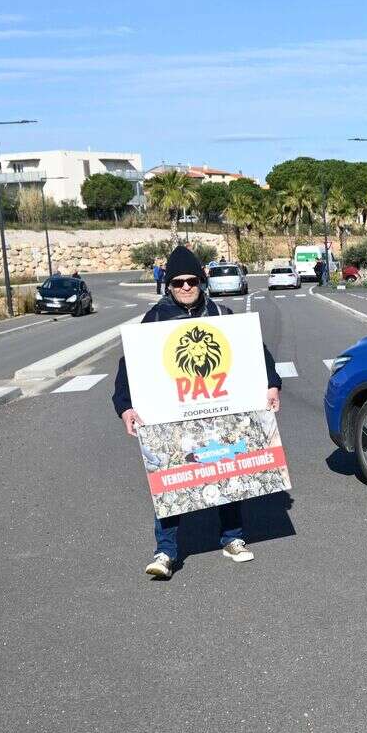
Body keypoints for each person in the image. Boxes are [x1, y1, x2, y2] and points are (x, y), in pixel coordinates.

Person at [113, 245, 283, 580]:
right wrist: (125, 406)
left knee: (227, 471)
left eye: (192, 280)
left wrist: (271, 383)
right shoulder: (155, 319)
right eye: (178, 282)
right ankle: (166, 551)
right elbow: (128, 367)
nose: (186, 287)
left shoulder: (222, 314)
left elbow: (256, 354)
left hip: (219, 410)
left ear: (201, 281)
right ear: (169, 286)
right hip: (173, 416)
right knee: (170, 482)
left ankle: (232, 538)